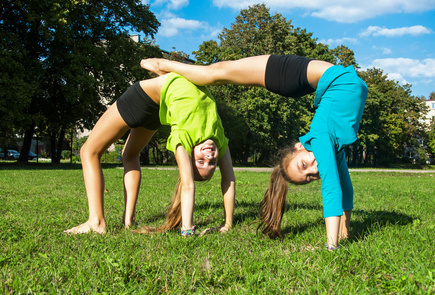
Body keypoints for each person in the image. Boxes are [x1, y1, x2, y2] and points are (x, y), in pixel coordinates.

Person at [140, 55, 367, 249]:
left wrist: (334, 244)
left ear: (300, 146)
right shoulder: (329, 145)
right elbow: (341, 187)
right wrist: (339, 238)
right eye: (309, 174)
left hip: (298, 76)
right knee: (218, 72)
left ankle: (164, 65)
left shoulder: (321, 141)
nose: (315, 169)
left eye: (304, 166)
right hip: (316, 80)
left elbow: (334, 189)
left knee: (218, 72)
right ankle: (164, 65)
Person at [64, 72, 235, 236]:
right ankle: (129, 221)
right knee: (130, 155)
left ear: (190, 155)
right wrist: (227, 224)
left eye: (200, 162)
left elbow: (188, 184)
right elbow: (229, 179)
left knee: (88, 151)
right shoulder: (217, 139)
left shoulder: (184, 138)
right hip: (159, 107)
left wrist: (188, 229)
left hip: (143, 98)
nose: (209, 158)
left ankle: (96, 222)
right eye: (211, 164)